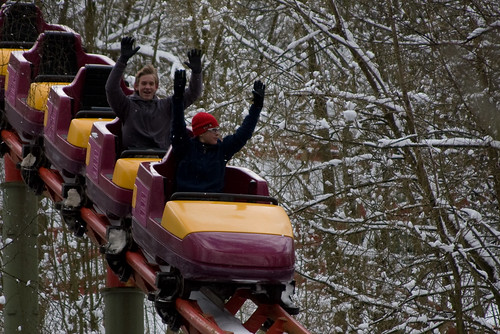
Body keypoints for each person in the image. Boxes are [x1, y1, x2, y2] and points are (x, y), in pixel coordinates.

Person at [170, 69, 265, 193]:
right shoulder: (185, 147)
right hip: (185, 202)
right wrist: (178, 98)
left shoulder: (222, 150)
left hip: (214, 204)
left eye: (217, 130)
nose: (217, 133)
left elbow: (243, 134)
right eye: (213, 130)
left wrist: (256, 107)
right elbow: (177, 125)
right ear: (201, 132)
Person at [105, 36, 203, 150]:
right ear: (136, 86)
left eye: (151, 84)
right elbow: (111, 88)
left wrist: (197, 72)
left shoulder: (166, 106)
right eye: (144, 83)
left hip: (158, 160)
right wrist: (122, 60)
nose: (147, 87)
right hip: (132, 158)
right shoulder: (126, 106)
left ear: (156, 87)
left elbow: (193, 93)